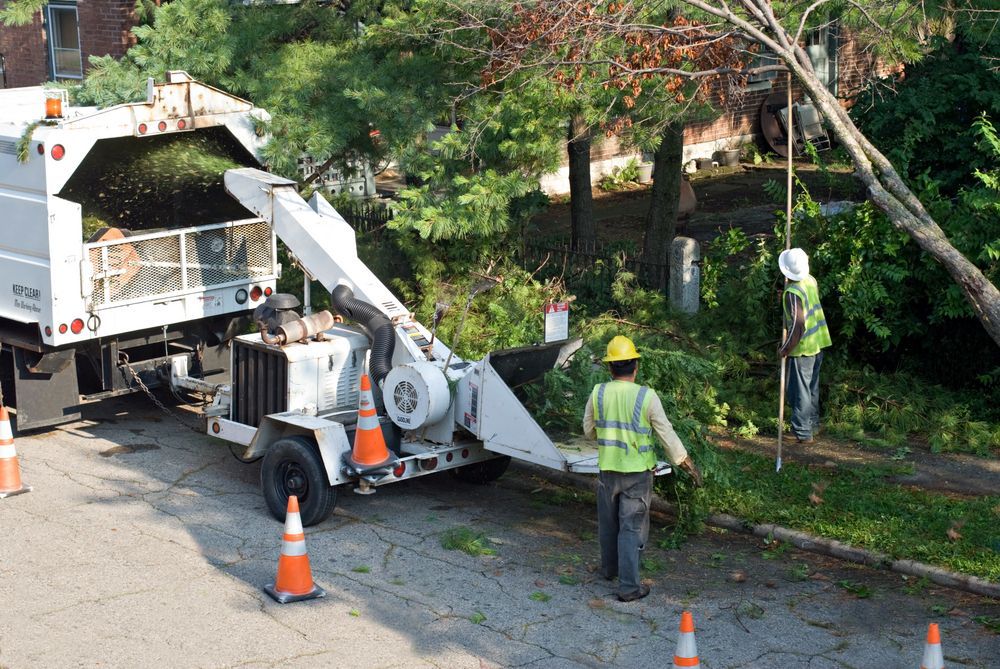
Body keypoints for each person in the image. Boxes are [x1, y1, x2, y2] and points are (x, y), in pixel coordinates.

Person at [583, 335, 702, 602]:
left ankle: (610, 570)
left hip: (608, 472)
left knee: (608, 524)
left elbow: (588, 430)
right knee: (631, 528)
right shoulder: (647, 397)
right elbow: (666, 434)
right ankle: (628, 587)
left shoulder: (598, 392)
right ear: (635, 366)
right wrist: (686, 463)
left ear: (610, 367)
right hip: (637, 475)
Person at [777, 248, 832, 444]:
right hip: (818, 343)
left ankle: (802, 431)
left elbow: (798, 326)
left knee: (800, 392)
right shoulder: (810, 280)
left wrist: (785, 349)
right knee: (811, 388)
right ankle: (813, 424)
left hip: (803, 348)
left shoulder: (793, 293)